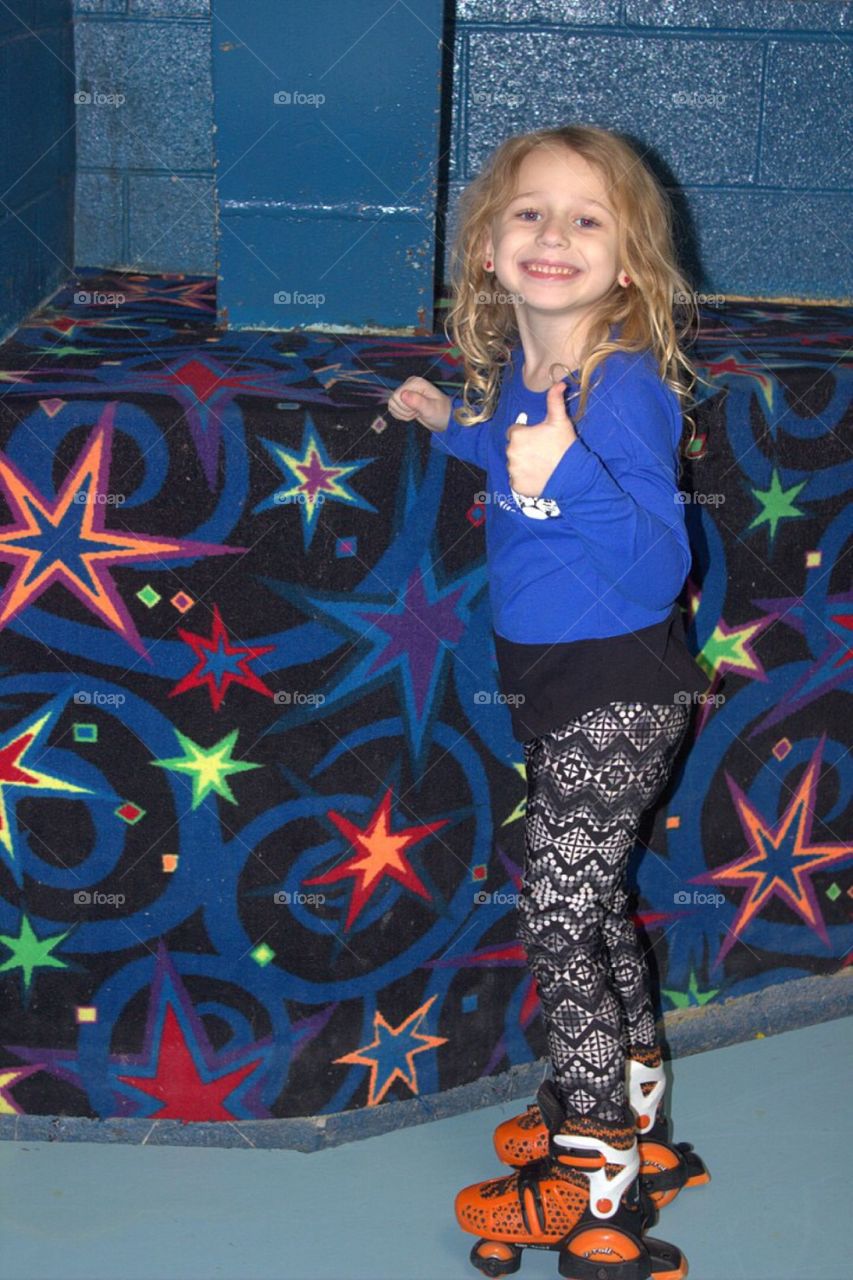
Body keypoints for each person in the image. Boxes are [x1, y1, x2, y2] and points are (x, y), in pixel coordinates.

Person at [388, 124, 711, 1279]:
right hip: (565, 689)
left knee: (562, 918)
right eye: (528, 212)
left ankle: (595, 1177)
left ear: (627, 261)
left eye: (586, 217)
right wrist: (456, 432)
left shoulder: (619, 386)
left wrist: (556, 474)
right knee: (594, 901)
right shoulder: (529, 375)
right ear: (485, 248)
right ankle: (635, 1112)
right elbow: (519, 448)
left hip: (617, 693)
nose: (553, 234)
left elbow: (653, 558)